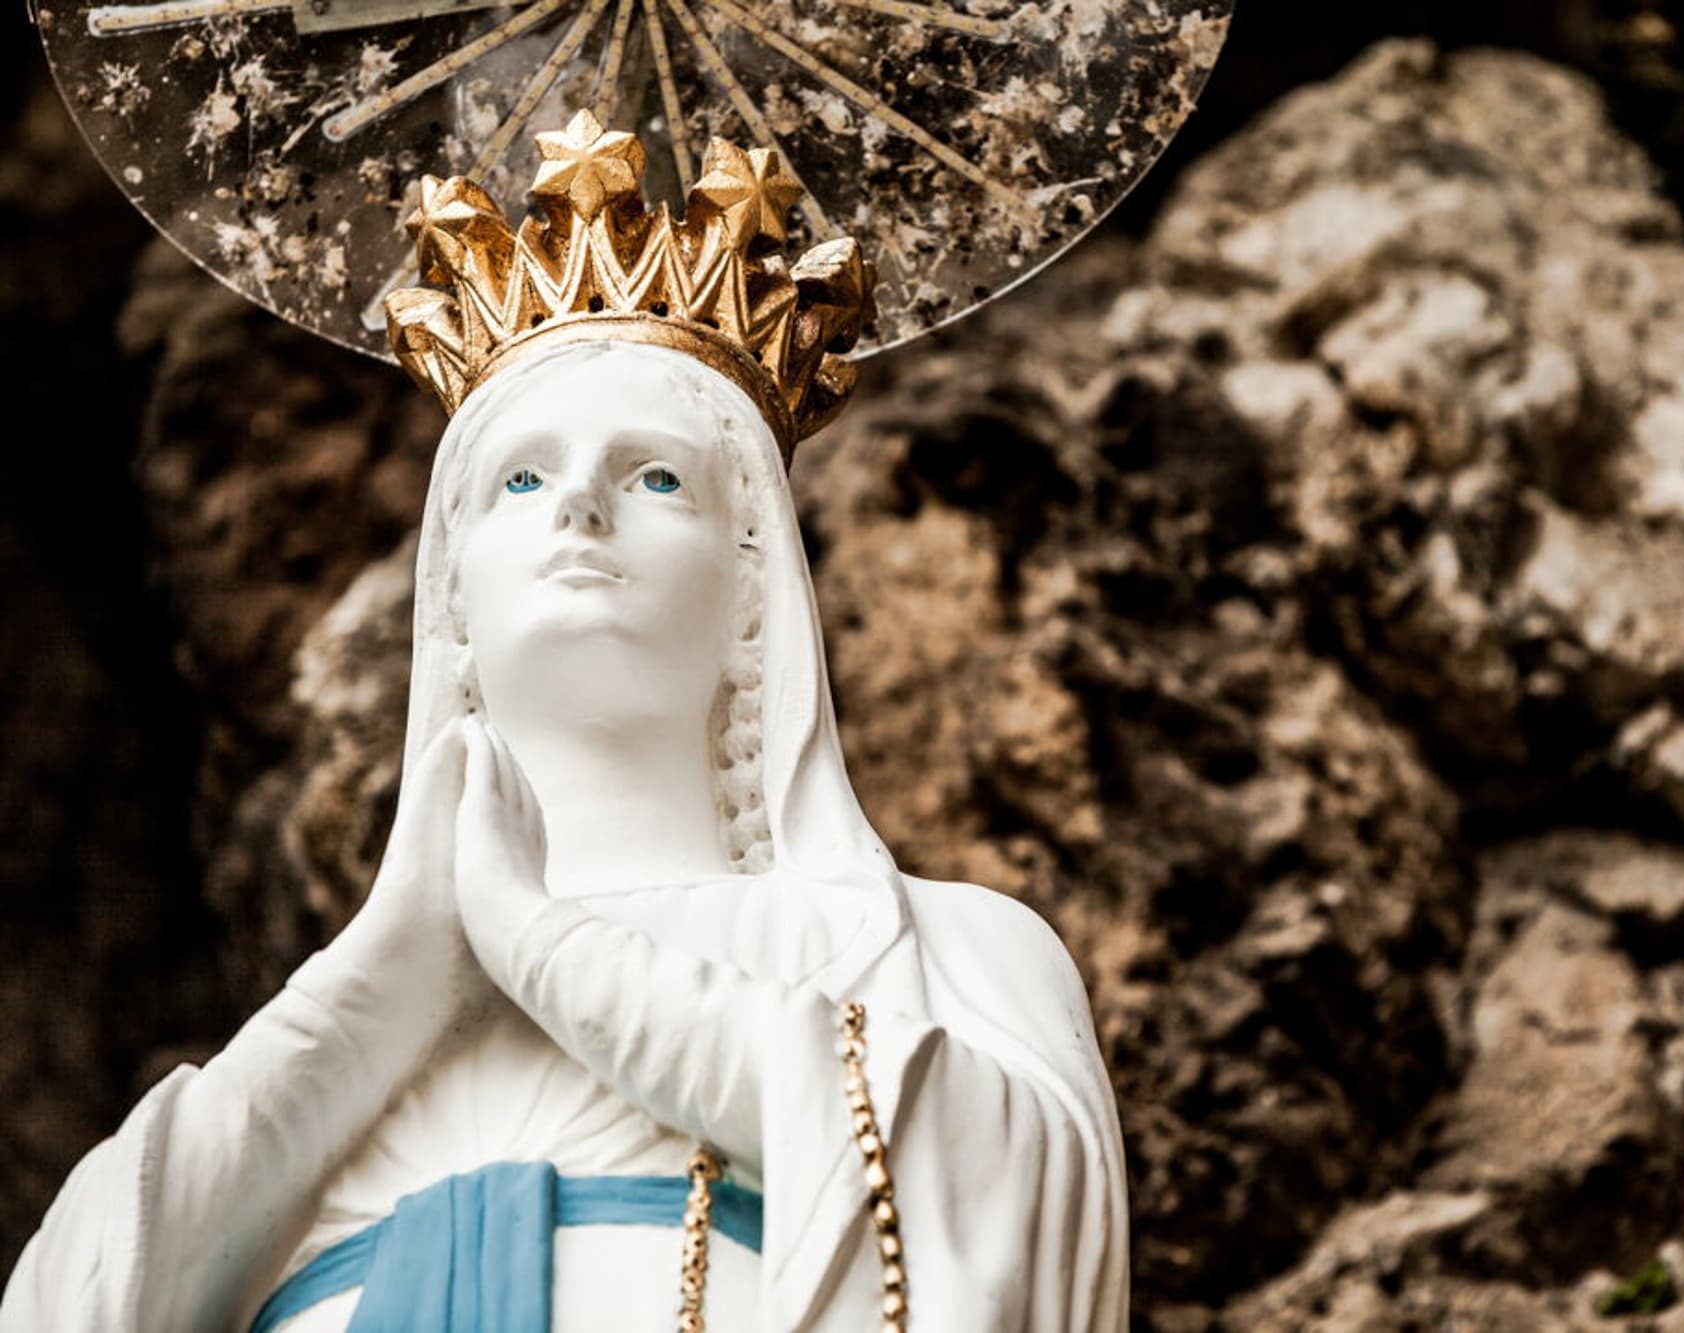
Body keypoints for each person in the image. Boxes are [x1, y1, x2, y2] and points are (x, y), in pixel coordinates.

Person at [0, 333, 1129, 1330]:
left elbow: (1011, 1216)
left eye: (654, 476)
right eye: (521, 477)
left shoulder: (930, 948)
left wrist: (552, 951)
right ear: (451, 605)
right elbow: (71, 1302)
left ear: (752, 592)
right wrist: (367, 997)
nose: (580, 504)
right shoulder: (338, 1039)